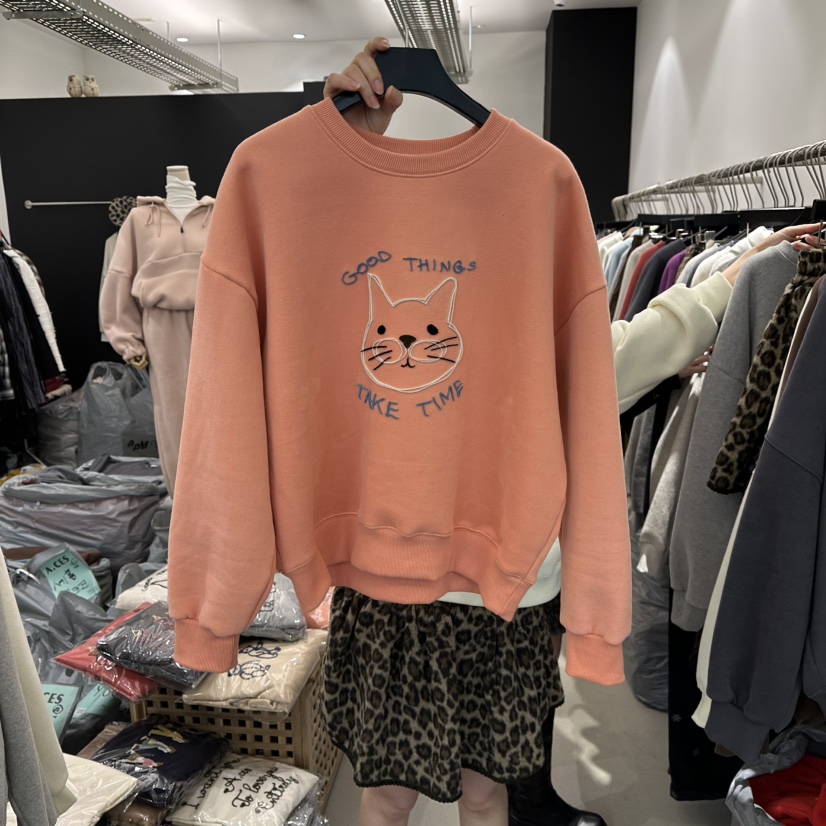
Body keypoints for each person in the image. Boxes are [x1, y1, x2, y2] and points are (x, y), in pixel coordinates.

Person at [322, 39, 822, 826]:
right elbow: (292, 258)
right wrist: (346, 142)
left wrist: (733, 278)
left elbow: (637, 346)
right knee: (398, 793)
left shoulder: (530, 331)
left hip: (503, 593)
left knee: (472, 792)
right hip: (401, 588)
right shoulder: (355, 313)